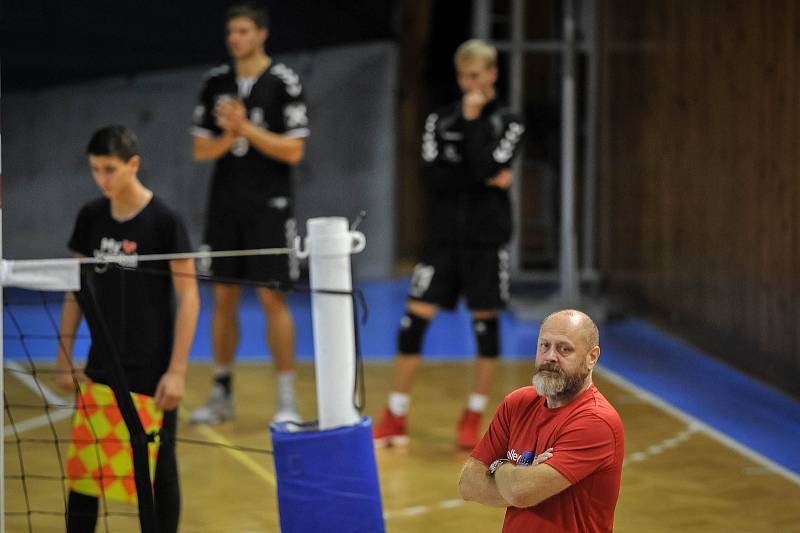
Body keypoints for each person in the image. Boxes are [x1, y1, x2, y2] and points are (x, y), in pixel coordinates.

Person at [373, 39, 525, 449]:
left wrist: (475, 130)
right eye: (463, 76)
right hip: (441, 239)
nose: (469, 84)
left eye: (476, 76)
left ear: (492, 74)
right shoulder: (439, 119)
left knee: (485, 326)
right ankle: (395, 414)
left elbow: (491, 164)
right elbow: (433, 176)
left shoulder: (508, 122)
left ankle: (474, 415)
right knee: (413, 322)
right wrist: (482, 174)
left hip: (485, 240)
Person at [55, 124, 200, 533]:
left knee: (156, 474)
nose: (102, 179)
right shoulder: (91, 217)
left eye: (110, 169)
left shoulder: (164, 221)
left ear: (133, 164)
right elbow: (75, 291)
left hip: (151, 373)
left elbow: (189, 298)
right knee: (86, 478)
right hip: (101, 367)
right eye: (95, 170)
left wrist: (178, 370)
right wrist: (65, 355)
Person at [189, 2, 309, 425]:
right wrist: (229, 134)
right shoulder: (215, 83)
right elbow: (201, 150)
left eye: (242, 31)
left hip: (269, 208)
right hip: (225, 205)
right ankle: (221, 391)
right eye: (230, 32)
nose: (235, 39)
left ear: (262, 34)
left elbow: (294, 150)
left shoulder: (284, 82)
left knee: (272, 296)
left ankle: (287, 398)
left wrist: (247, 129)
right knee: (222, 297)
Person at [458, 309, 625, 533]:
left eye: (564, 349)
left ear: (591, 357)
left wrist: (500, 466)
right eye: (544, 346)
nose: (550, 357)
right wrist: (522, 475)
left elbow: (522, 493)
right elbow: (468, 484)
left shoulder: (596, 421)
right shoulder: (517, 404)